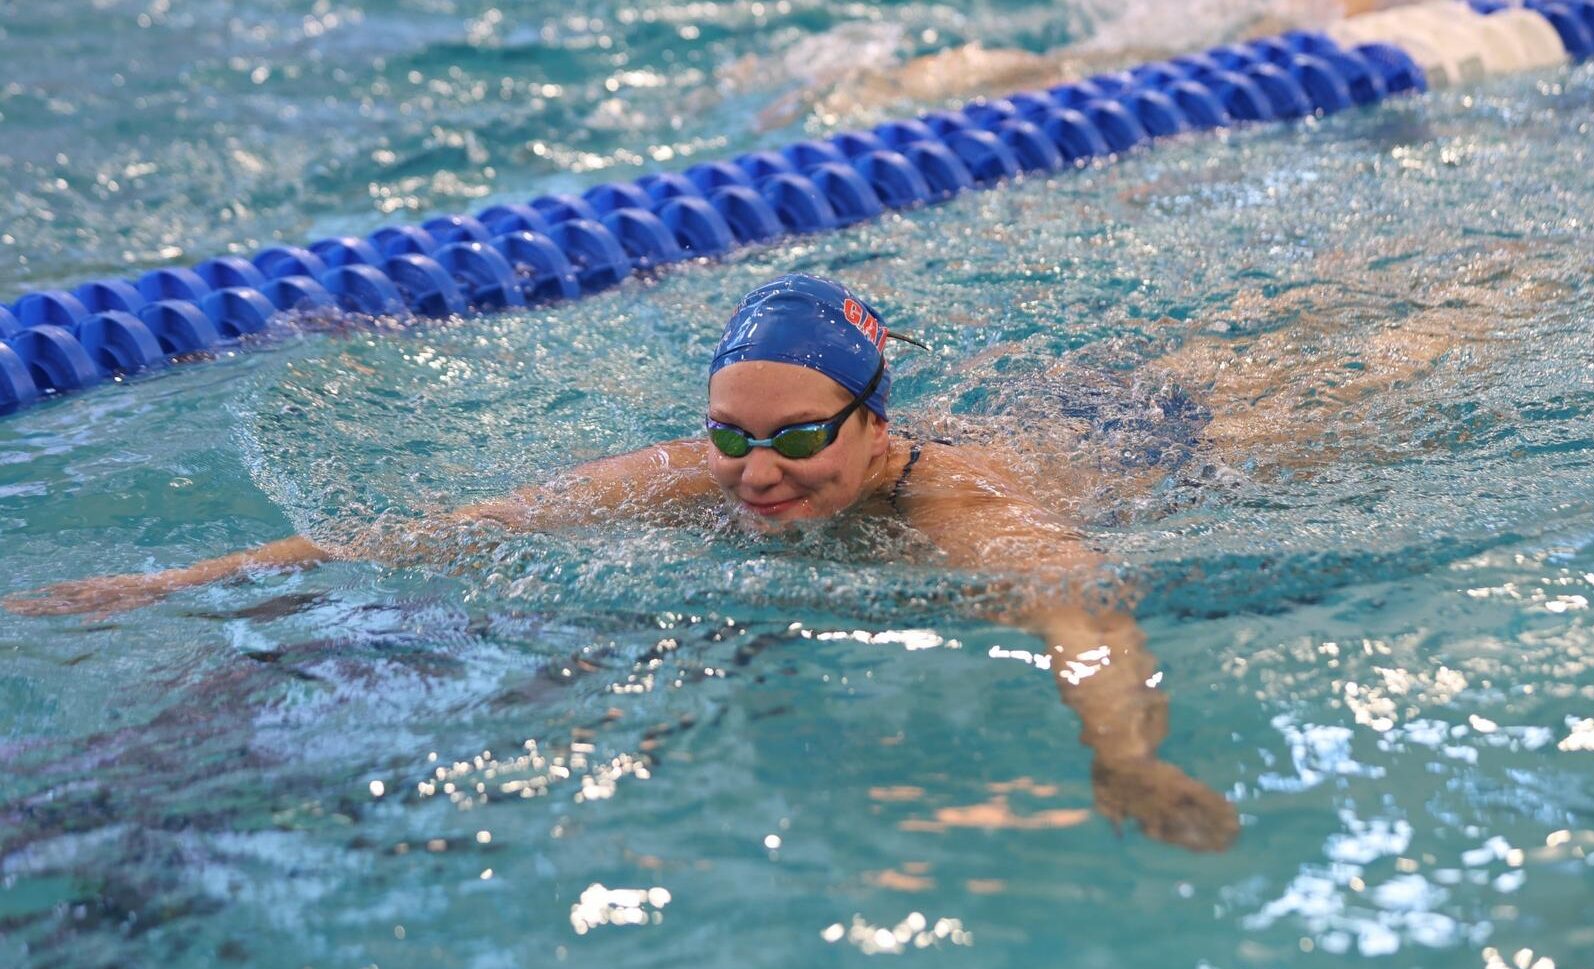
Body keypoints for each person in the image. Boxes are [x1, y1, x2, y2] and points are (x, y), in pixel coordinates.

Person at [5, 273, 1241, 853]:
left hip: (1176, 434)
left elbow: (1083, 614)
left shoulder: (964, 502)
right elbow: (439, 528)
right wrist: (170, 585)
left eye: (800, 439)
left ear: (875, 428)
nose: (756, 474)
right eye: (730, 437)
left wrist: (1122, 756)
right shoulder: (693, 470)